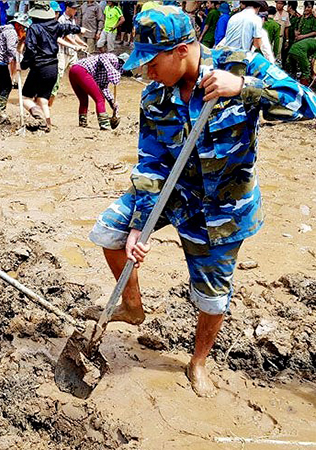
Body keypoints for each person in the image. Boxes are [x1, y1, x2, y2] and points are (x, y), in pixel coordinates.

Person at [85, 5, 316, 398]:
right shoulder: (154, 97)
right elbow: (151, 163)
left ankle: (198, 361)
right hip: (172, 193)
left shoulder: (239, 65)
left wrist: (242, 88)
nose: (147, 72)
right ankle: (132, 306)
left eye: (152, 62)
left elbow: (308, 103)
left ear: (180, 50)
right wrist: (140, 224)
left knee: (211, 295)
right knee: (109, 231)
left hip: (222, 207)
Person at [21, 1, 86, 130]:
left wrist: (23, 65)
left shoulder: (34, 28)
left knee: (25, 98)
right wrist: (80, 29)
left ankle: (37, 114)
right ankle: (48, 125)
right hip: (53, 67)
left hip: (39, 67)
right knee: (43, 99)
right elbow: (67, 28)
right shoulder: (55, 25)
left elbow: (31, 50)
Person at [0, 12, 31, 121]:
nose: (24, 30)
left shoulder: (10, 31)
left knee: (2, 85)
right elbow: (11, 49)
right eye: (23, 28)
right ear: (18, 25)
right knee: (6, 86)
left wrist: (22, 41)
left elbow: (16, 48)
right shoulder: (11, 33)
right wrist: (21, 60)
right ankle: (1, 109)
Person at [68, 52, 126, 129]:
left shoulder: (105, 74)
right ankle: (104, 124)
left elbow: (103, 87)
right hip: (82, 70)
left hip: (74, 70)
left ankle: (82, 123)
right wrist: (112, 71)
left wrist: (112, 102)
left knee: (83, 100)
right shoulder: (114, 59)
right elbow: (102, 57)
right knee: (100, 99)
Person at [50, 2, 87, 106]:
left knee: (78, 71)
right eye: (74, 9)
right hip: (62, 53)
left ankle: (81, 94)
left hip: (72, 52)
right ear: (68, 8)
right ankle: (51, 97)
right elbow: (65, 36)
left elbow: (74, 35)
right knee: (59, 75)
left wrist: (82, 43)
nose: (75, 11)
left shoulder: (73, 20)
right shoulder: (61, 20)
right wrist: (75, 45)